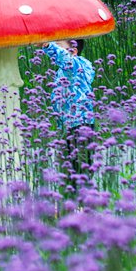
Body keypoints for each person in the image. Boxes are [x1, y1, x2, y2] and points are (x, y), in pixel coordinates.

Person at [41, 39, 95, 192]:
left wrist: (47, 45)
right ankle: (70, 204)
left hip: (81, 124)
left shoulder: (80, 64)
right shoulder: (62, 71)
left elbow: (66, 60)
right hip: (67, 126)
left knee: (80, 167)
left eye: (60, 46)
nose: (57, 49)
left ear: (74, 50)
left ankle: (84, 203)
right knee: (67, 169)